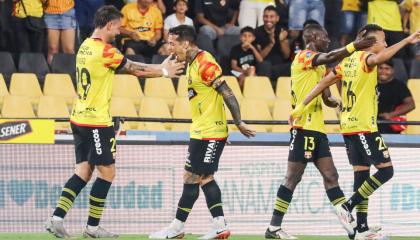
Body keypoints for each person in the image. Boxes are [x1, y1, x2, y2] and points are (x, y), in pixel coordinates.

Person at [44, 5, 184, 238]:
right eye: (118, 27)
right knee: (107, 173)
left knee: (83, 171)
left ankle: (56, 218)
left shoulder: (84, 47)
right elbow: (135, 70)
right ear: (109, 25)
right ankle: (92, 228)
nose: (119, 31)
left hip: (78, 117)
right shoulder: (105, 51)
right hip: (96, 121)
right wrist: (164, 71)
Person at [291, 24, 420, 240]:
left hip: (348, 128)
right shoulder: (365, 59)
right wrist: (407, 40)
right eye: (383, 40)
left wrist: (300, 105)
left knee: (362, 176)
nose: (386, 44)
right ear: (371, 44)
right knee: (386, 171)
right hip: (363, 127)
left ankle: (361, 230)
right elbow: (378, 59)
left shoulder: (346, 62)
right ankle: (346, 207)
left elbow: (323, 82)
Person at [264, 24, 376, 239]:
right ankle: (273, 228)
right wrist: (354, 45)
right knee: (292, 178)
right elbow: (330, 56)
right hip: (303, 128)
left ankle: (352, 230)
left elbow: (325, 96)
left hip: (317, 130)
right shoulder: (304, 56)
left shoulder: (319, 67)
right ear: (314, 37)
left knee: (331, 175)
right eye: (325, 37)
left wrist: (336, 102)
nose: (328, 41)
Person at [149, 25, 256, 239]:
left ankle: (186, 227)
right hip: (200, 131)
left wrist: (238, 122)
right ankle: (205, 226)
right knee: (195, 177)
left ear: (185, 43)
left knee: (201, 177)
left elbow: (228, 93)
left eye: (173, 43)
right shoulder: (191, 62)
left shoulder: (205, 63)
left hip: (210, 131)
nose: (169, 47)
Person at [254, 5, 291, 82]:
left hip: (280, 66)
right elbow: (259, 57)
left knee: (293, 66)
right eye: (266, 16)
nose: (268, 19)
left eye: (271, 17)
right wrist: (271, 44)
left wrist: (281, 41)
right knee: (265, 65)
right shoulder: (257, 32)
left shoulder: (282, 31)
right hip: (264, 66)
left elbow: (286, 55)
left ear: (277, 18)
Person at [377, 61, 415, 134]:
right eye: (380, 68)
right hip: (370, 124)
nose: (383, 71)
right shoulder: (371, 83)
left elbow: (411, 105)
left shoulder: (400, 86)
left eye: (387, 69)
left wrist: (391, 114)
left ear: (392, 70)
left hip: (388, 125)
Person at [43, 0, 77, 64]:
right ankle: (52, 73)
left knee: (69, 49)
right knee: (53, 49)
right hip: (50, 12)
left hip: (67, 11)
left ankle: (71, 73)